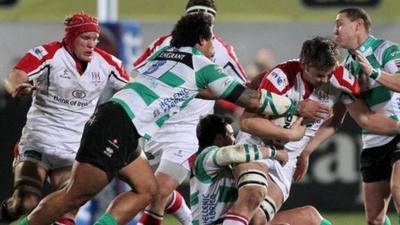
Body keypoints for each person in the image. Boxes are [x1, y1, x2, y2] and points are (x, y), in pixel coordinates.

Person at [15, 13, 301, 225]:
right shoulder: (203, 64)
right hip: (120, 124)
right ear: (202, 40)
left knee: (147, 190)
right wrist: (296, 105)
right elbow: (251, 99)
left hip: (122, 123)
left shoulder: (166, 54)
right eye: (212, 38)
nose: (215, 45)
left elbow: (187, 90)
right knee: (74, 196)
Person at [229, 36, 400, 225]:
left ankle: (310, 218)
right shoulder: (281, 77)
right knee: (252, 195)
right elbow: (248, 124)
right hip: (256, 148)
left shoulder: (341, 79)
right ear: (304, 64)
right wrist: (290, 132)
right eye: (319, 75)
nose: (325, 80)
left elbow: (342, 120)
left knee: (259, 220)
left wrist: (307, 151)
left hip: (286, 163)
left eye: (329, 73)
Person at [0, 12, 131, 224]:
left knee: (68, 206)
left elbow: (133, 89)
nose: (91, 44)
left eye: (94, 39)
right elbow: (16, 74)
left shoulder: (107, 63)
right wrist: (17, 86)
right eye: (85, 38)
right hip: (38, 143)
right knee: (25, 203)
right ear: (71, 37)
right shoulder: (49, 54)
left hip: (73, 149)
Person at [134, 1, 248, 225]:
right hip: (157, 127)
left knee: (158, 190)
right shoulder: (163, 44)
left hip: (190, 131)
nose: (203, 15)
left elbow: (240, 87)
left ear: (215, 17)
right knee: (150, 189)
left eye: (208, 12)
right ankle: (188, 219)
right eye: (197, 12)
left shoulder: (223, 50)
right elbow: (138, 73)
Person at [191, 114, 331, 225]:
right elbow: (232, 153)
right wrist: (274, 152)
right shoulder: (205, 158)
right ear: (220, 139)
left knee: (310, 216)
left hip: (237, 220)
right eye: (231, 135)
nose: (235, 139)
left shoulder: (228, 168)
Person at [333, 7, 400, 225]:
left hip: (397, 131)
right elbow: (355, 118)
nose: (335, 31)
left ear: (358, 25)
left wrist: (374, 73)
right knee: (374, 219)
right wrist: (307, 151)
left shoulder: (387, 50)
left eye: (340, 24)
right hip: (374, 141)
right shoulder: (345, 70)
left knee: (398, 190)